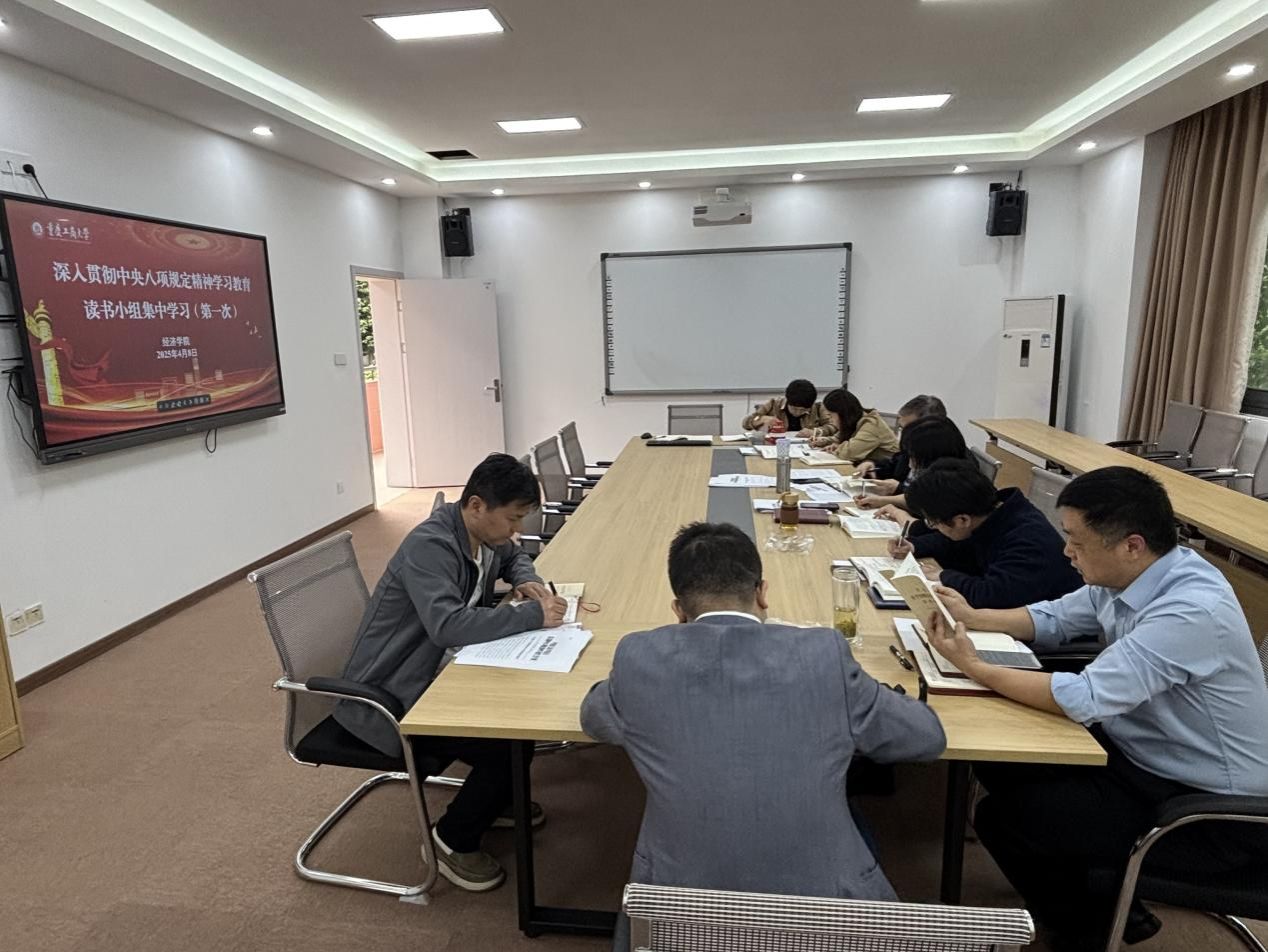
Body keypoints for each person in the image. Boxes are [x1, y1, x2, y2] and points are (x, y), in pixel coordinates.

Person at [923, 467, 1268, 951]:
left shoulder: (1190, 609)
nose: (1067, 551)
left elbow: (1084, 696)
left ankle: (1092, 930)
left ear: (1131, 545)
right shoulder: (1134, 574)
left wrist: (976, 667)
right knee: (1003, 763)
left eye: (1076, 541)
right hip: (1145, 757)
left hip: (1209, 812)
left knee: (1008, 818)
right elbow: (1054, 618)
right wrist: (973, 616)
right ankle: (1109, 906)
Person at [581, 522, 946, 947]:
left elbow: (595, 717)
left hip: (677, 915)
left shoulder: (637, 656)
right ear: (762, 593)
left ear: (678, 610)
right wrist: (864, 694)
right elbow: (925, 738)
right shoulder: (823, 653)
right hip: (824, 915)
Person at [335, 453, 568, 892]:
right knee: (506, 741)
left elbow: (513, 555)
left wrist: (526, 578)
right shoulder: (431, 545)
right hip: (391, 696)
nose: (515, 530)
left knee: (516, 722)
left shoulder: (480, 533)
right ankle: (449, 840)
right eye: (512, 519)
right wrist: (532, 615)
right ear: (477, 505)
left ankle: (493, 800)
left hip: (433, 671)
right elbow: (447, 626)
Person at [887, 457, 1081, 607]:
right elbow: (957, 543)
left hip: (1044, 636)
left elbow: (990, 595)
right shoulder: (992, 515)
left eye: (933, 523)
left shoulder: (1027, 539)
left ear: (962, 520)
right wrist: (914, 546)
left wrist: (944, 576)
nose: (934, 527)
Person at [856, 415, 968, 511]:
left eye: (913, 458)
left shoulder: (955, 480)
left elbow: (927, 504)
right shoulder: (916, 449)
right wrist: (872, 465)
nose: (910, 464)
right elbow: (893, 465)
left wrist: (896, 497)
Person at [854, 394, 947, 483]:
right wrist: (872, 465)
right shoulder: (908, 449)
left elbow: (929, 491)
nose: (905, 435)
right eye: (902, 428)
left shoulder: (944, 462)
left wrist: (898, 488)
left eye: (910, 429)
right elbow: (892, 466)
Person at [813, 388, 899, 463]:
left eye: (831, 415)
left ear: (843, 414)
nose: (830, 420)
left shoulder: (871, 425)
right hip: (869, 465)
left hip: (885, 470)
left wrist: (838, 447)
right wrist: (824, 441)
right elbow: (839, 438)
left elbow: (849, 453)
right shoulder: (856, 421)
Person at [742, 378, 836, 437]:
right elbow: (746, 422)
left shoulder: (818, 408)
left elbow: (833, 426)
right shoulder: (773, 404)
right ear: (787, 401)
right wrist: (761, 419)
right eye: (794, 409)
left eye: (803, 410)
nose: (798, 413)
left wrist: (816, 432)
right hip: (776, 447)